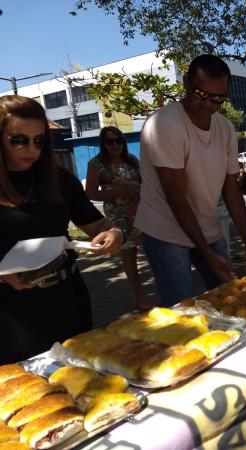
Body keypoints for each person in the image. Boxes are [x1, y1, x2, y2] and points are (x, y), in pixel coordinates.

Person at [0, 95, 123, 363]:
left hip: (68, 298)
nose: (32, 149)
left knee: (83, 377)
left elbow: (96, 223)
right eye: (19, 140)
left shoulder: (59, 180)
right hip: (10, 313)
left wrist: (113, 232)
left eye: (40, 140)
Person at [134, 54, 246, 306]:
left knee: (231, 299)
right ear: (185, 83)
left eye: (218, 98)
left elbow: (231, 190)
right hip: (165, 230)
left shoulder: (224, 128)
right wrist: (206, 252)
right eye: (201, 94)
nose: (208, 105)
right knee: (185, 310)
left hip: (206, 226)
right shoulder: (164, 124)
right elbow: (176, 196)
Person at [85, 126, 150, 310]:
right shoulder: (96, 164)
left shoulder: (131, 160)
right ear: (103, 144)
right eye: (110, 141)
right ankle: (140, 295)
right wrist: (117, 191)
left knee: (152, 247)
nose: (115, 145)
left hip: (141, 210)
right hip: (119, 217)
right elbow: (90, 193)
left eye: (119, 140)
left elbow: (143, 182)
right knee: (129, 253)